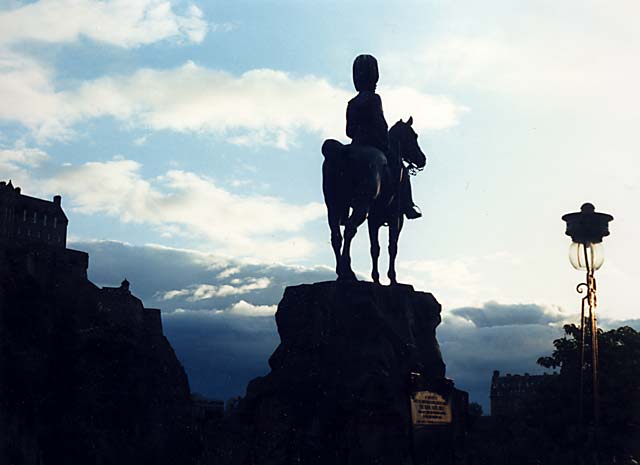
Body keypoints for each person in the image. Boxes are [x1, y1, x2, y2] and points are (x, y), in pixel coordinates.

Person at [346, 54, 421, 219]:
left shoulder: (352, 102)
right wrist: (384, 141)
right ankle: (408, 206)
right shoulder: (374, 99)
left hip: (355, 145)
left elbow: (349, 131)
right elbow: (380, 123)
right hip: (374, 145)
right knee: (401, 170)